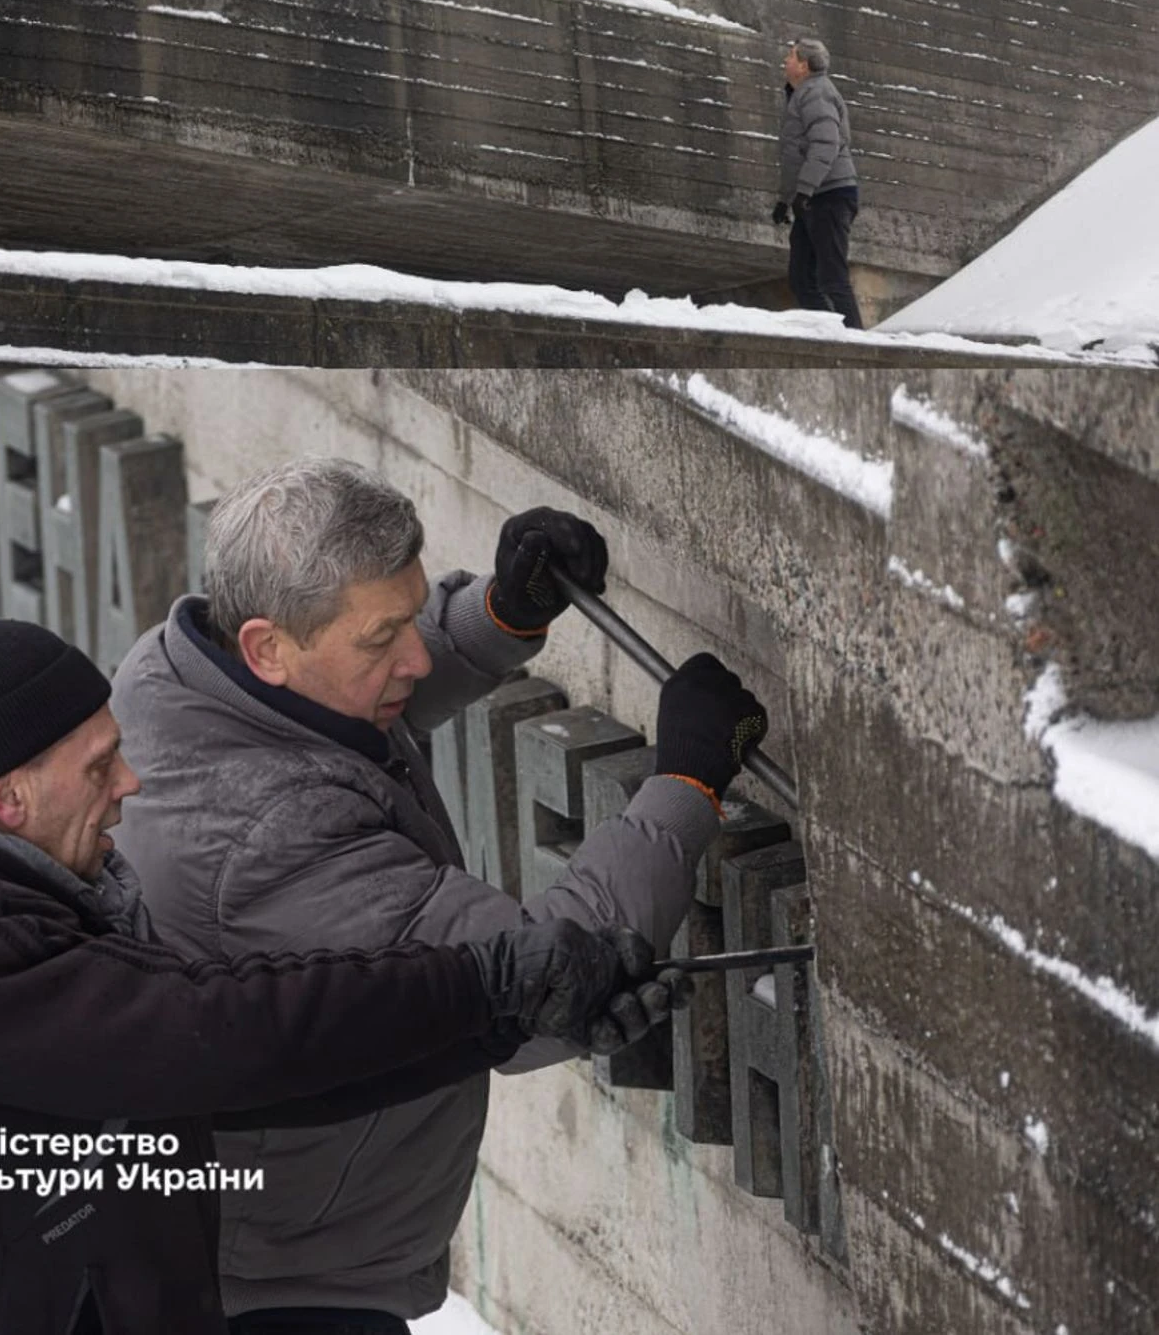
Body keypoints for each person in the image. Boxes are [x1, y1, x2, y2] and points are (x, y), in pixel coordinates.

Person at [0, 616, 675, 1335]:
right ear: (9, 800)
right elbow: (222, 1037)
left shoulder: (15, 909)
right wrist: (491, 984)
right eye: (100, 764)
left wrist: (503, 1017)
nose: (129, 782)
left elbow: (238, 1081)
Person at [112, 458, 771, 1333]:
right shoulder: (268, 841)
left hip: (269, 1235)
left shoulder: (178, 675)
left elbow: (343, 731)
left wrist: (496, 617)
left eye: (411, 616)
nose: (415, 654)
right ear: (268, 645)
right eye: (384, 639)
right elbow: (533, 976)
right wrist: (686, 783)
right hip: (287, 1281)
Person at [772, 34, 865, 329]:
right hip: (813, 196)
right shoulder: (801, 94)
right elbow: (794, 156)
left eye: (791, 55)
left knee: (832, 277)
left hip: (831, 195)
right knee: (801, 279)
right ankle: (833, 334)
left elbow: (825, 145)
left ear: (804, 65)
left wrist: (804, 192)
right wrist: (785, 200)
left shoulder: (817, 93)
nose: (785, 60)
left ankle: (856, 343)